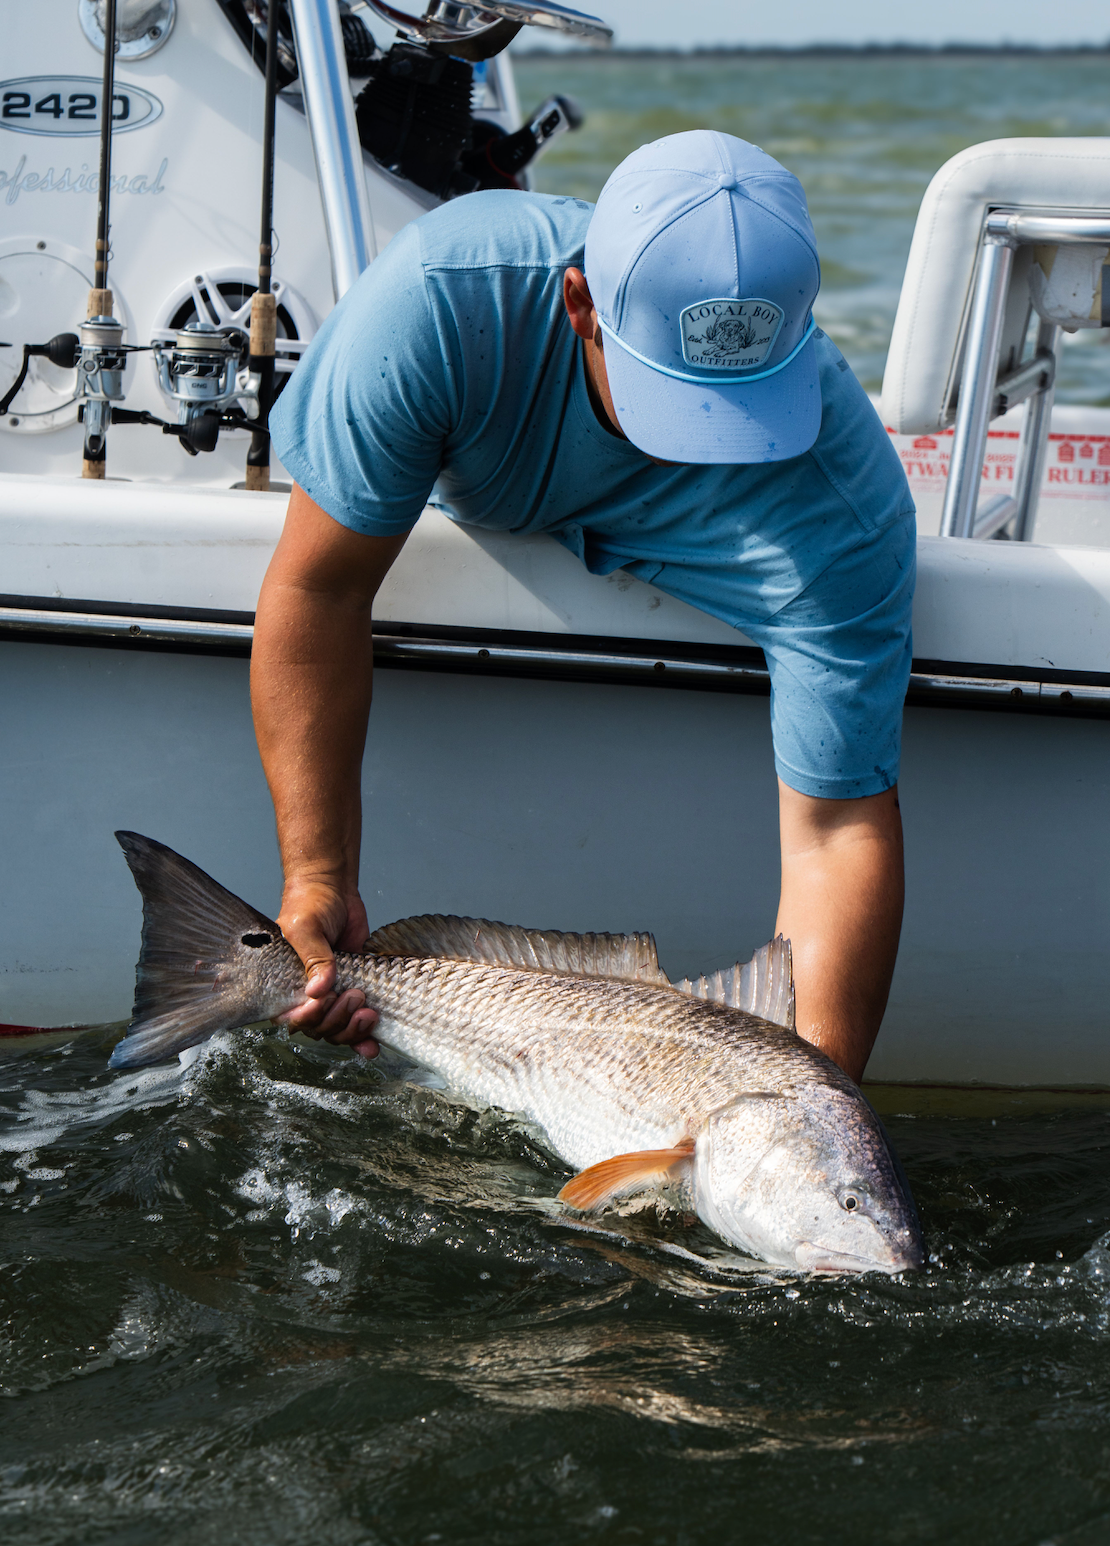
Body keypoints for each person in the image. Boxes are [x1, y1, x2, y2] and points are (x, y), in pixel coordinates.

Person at [252, 131, 915, 1085]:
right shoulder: (442, 301)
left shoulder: (842, 510)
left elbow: (838, 831)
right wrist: (316, 880)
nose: (715, 448)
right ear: (579, 308)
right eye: (678, 401)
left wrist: (806, 1119)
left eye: (746, 403)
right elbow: (321, 587)